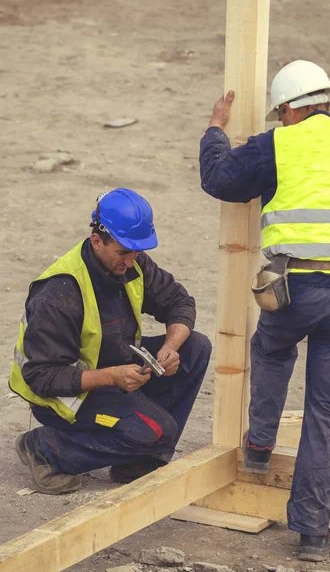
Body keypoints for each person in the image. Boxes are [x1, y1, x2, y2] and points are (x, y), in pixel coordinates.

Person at [199, 60, 330, 563]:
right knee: (327, 412)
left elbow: (219, 179)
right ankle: (313, 533)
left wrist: (215, 130)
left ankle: (258, 447)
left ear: (287, 110)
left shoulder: (276, 143)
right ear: (324, 103)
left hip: (298, 285)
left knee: (273, 348)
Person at [10, 188, 211, 495]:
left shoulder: (131, 261)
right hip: (61, 397)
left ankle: (140, 460)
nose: (130, 262)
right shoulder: (60, 292)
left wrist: (170, 347)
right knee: (159, 431)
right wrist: (111, 377)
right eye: (123, 253)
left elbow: (178, 302)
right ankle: (45, 448)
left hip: (110, 373)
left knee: (195, 346)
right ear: (96, 241)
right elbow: (42, 377)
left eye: (135, 252)